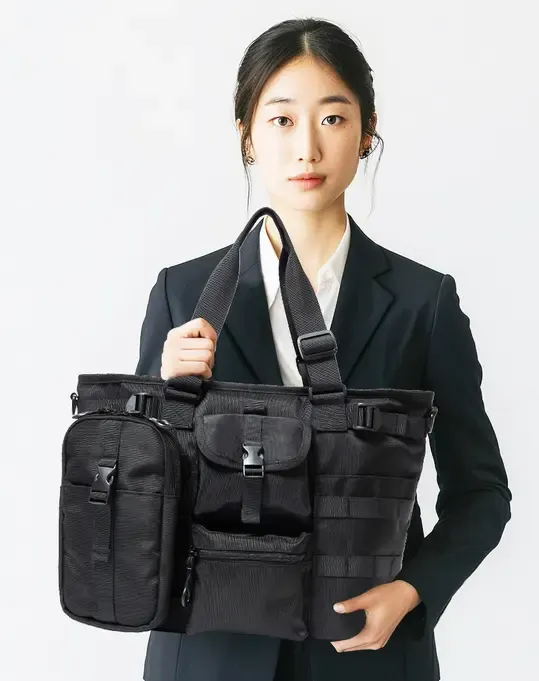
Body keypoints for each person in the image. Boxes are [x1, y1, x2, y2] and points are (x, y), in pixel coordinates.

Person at [135, 17, 512, 681]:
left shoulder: (423, 303)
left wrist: (411, 592)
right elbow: (139, 489)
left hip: (365, 653)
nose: (306, 148)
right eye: (281, 120)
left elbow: (480, 493)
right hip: (209, 652)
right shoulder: (182, 293)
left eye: (332, 119)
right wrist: (165, 394)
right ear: (247, 136)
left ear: (367, 133)